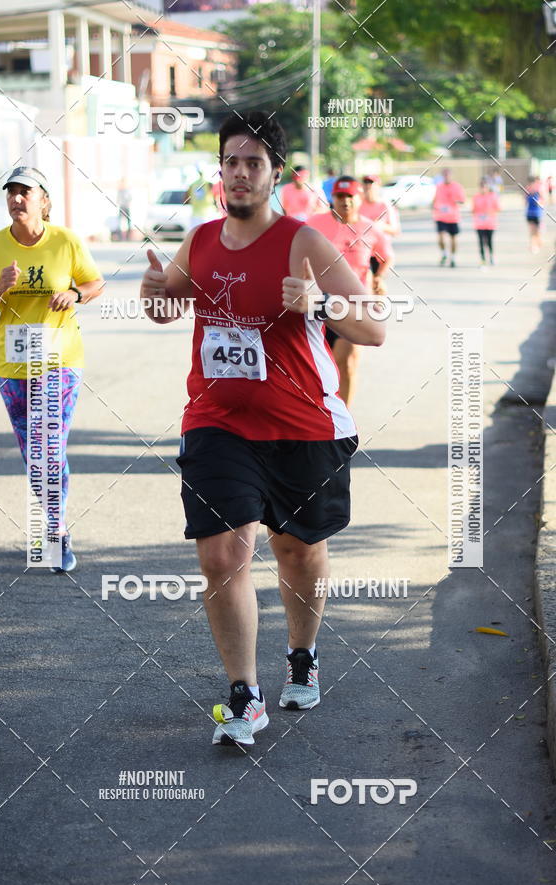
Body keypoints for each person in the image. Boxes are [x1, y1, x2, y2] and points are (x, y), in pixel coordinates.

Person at [140, 111, 385, 748]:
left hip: (303, 424)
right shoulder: (199, 240)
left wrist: (322, 304)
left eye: (254, 163)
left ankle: (302, 656)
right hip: (218, 422)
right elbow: (170, 304)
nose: (241, 174)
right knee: (223, 554)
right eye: (231, 162)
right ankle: (244, 696)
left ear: (276, 173)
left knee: (296, 550)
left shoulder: (305, 242)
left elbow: (373, 325)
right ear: (219, 172)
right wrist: (152, 294)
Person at [0, 166, 103, 572]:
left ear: (44, 200)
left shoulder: (65, 242)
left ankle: (57, 532)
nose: (17, 199)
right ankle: (53, 521)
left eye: (25, 192)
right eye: (11, 192)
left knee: (49, 446)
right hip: (12, 363)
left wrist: (74, 293)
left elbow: (96, 283)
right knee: (34, 452)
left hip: (59, 360)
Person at [306, 176, 391, 408]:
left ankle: (343, 419)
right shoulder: (314, 223)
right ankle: (321, 412)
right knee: (320, 365)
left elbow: (386, 256)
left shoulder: (370, 228)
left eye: (350, 197)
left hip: (353, 305)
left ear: (359, 198)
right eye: (340, 197)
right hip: (318, 304)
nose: (345, 202)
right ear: (332, 198)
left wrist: (379, 279)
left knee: (348, 363)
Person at [360, 173, 401, 294]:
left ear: (378, 185)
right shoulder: (357, 204)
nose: (368, 186)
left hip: (379, 253)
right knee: (365, 285)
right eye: (366, 183)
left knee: (377, 284)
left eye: (371, 183)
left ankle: (378, 309)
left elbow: (395, 230)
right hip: (362, 251)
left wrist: (380, 226)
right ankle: (368, 309)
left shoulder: (385, 205)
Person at [432, 167, 465, 267]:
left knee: (453, 238)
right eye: (444, 175)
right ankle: (444, 254)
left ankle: (453, 257)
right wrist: (434, 208)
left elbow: (462, 200)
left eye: (448, 175)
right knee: (441, 237)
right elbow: (435, 199)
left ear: (451, 175)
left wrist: (457, 200)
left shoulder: (457, 187)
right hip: (440, 216)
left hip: (453, 217)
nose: (446, 177)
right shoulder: (439, 187)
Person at [472, 177, 500, 267]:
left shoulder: (493, 196)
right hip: (479, 224)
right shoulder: (476, 197)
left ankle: (491, 256)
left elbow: (498, 208)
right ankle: (483, 259)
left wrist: (490, 212)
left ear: (487, 187)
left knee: (489, 241)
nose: (483, 188)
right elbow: (473, 209)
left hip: (490, 224)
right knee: (481, 242)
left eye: (484, 186)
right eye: (481, 186)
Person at [525, 176, 544, 254]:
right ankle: (533, 245)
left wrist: (539, 203)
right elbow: (525, 201)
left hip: (536, 213)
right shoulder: (528, 190)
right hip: (530, 213)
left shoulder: (537, 190)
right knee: (532, 231)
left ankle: (537, 244)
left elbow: (542, 200)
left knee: (536, 231)